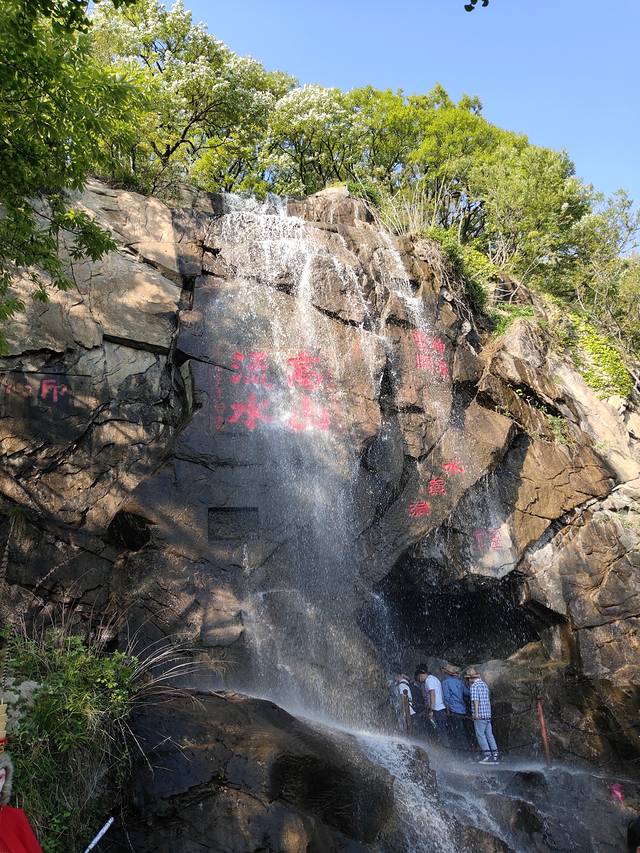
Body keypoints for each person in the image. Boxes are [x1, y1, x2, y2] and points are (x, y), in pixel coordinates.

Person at [466, 667, 499, 764]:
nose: (468, 680)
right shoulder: (484, 685)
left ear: (471, 678)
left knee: (480, 735)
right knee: (489, 734)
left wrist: (475, 714)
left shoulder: (474, 687)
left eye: (468, 678)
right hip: (487, 714)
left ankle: (488, 756)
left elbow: (476, 701)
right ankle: (495, 754)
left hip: (480, 715)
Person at [441, 663, 470, 752]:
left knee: (455, 732)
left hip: (453, 711)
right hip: (462, 710)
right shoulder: (460, 682)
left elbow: (446, 698)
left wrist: (448, 711)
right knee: (463, 732)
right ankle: (467, 751)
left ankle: (460, 752)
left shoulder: (445, 682)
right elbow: (467, 693)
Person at [418, 664, 448, 744]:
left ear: (421, 674)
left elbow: (432, 694)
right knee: (442, 730)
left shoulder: (428, 681)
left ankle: (444, 748)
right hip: (441, 708)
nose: (419, 679)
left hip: (437, 710)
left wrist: (431, 710)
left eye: (419, 677)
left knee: (439, 730)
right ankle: (445, 746)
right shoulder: (434, 678)